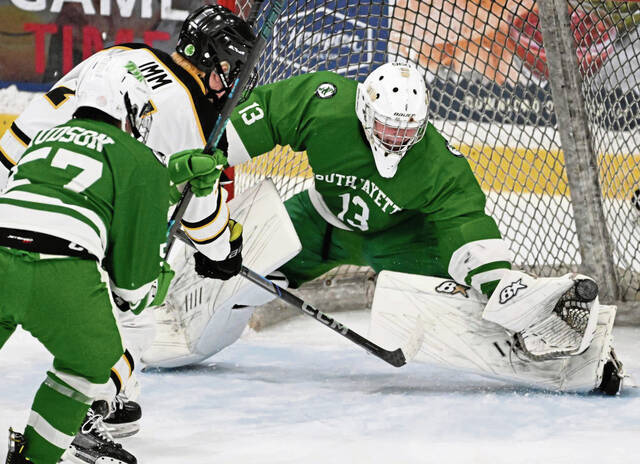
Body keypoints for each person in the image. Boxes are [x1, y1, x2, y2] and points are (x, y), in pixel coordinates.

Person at [219, 61, 623, 393]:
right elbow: (267, 113)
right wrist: (209, 156)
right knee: (226, 276)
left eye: (407, 130)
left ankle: (569, 350)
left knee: (469, 301)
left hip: (401, 246)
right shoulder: (323, 103)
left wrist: (499, 285)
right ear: (365, 109)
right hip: (319, 222)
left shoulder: (439, 165)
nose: (396, 139)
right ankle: (172, 315)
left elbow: (466, 223)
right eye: (388, 126)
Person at [0, 4, 255, 458]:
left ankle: (105, 399)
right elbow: (199, 219)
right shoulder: (184, 108)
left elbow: (19, 138)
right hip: (72, 234)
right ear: (214, 60)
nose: (231, 80)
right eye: (230, 69)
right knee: (130, 326)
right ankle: (86, 409)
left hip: (16, 189)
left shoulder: (117, 57)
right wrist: (222, 253)